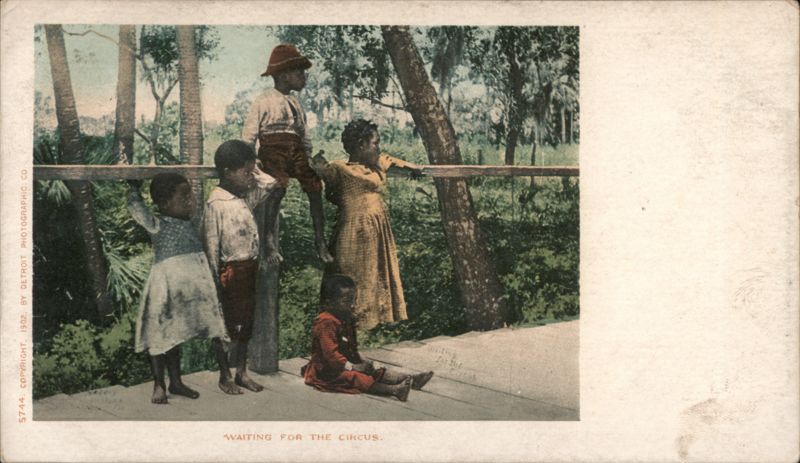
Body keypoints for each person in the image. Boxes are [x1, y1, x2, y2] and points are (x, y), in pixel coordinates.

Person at [310, 119, 423, 330]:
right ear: (361, 145)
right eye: (375, 143)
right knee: (353, 276)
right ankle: (345, 327)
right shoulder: (340, 168)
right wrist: (317, 165)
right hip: (353, 230)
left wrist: (411, 166)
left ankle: (374, 323)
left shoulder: (375, 166)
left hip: (377, 231)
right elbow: (322, 176)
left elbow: (390, 159)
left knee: (375, 275)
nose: (378, 148)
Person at [127, 173, 230, 404]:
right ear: (164, 203)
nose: (190, 200)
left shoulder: (194, 222)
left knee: (178, 334)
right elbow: (138, 209)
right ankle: (159, 384)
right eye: (183, 196)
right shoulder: (158, 224)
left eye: (190, 195)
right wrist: (134, 189)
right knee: (160, 333)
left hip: (193, 287)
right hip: (167, 287)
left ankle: (176, 382)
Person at [242, 43, 333, 266]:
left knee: (314, 184)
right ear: (283, 76)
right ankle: (268, 239)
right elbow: (249, 134)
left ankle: (320, 240)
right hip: (273, 150)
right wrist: (253, 159)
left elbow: (303, 132)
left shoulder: (295, 103)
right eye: (298, 73)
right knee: (277, 185)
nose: (303, 77)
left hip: (296, 150)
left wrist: (308, 155)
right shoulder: (263, 100)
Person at [202, 140, 277, 394]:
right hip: (228, 273)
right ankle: (225, 376)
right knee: (224, 325)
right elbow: (211, 245)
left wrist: (255, 169)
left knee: (245, 324)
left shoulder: (245, 198)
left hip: (249, 269)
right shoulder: (216, 204)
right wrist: (214, 282)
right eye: (245, 173)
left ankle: (241, 373)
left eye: (251, 172)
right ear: (227, 172)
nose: (250, 178)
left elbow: (270, 184)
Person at [302, 274, 434, 401]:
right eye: (346, 301)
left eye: (353, 300)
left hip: (344, 364)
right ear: (328, 303)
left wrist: (361, 361)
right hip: (326, 372)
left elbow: (351, 347)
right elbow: (331, 355)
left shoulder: (346, 317)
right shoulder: (325, 321)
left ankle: (410, 379)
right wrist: (353, 367)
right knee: (355, 377)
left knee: (374, 370)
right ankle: (394, 390)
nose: (352, 305)